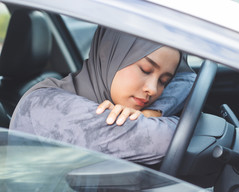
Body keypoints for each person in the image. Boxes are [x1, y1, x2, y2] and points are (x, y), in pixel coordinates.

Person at [9, 26, 196, 167]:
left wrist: (153, 112)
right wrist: (148, 120)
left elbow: (187, 77)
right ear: (109, 53)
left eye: (164, 81)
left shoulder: (101, 93)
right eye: (145, 70)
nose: (153, 89)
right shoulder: (44, 105)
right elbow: (163, 139)